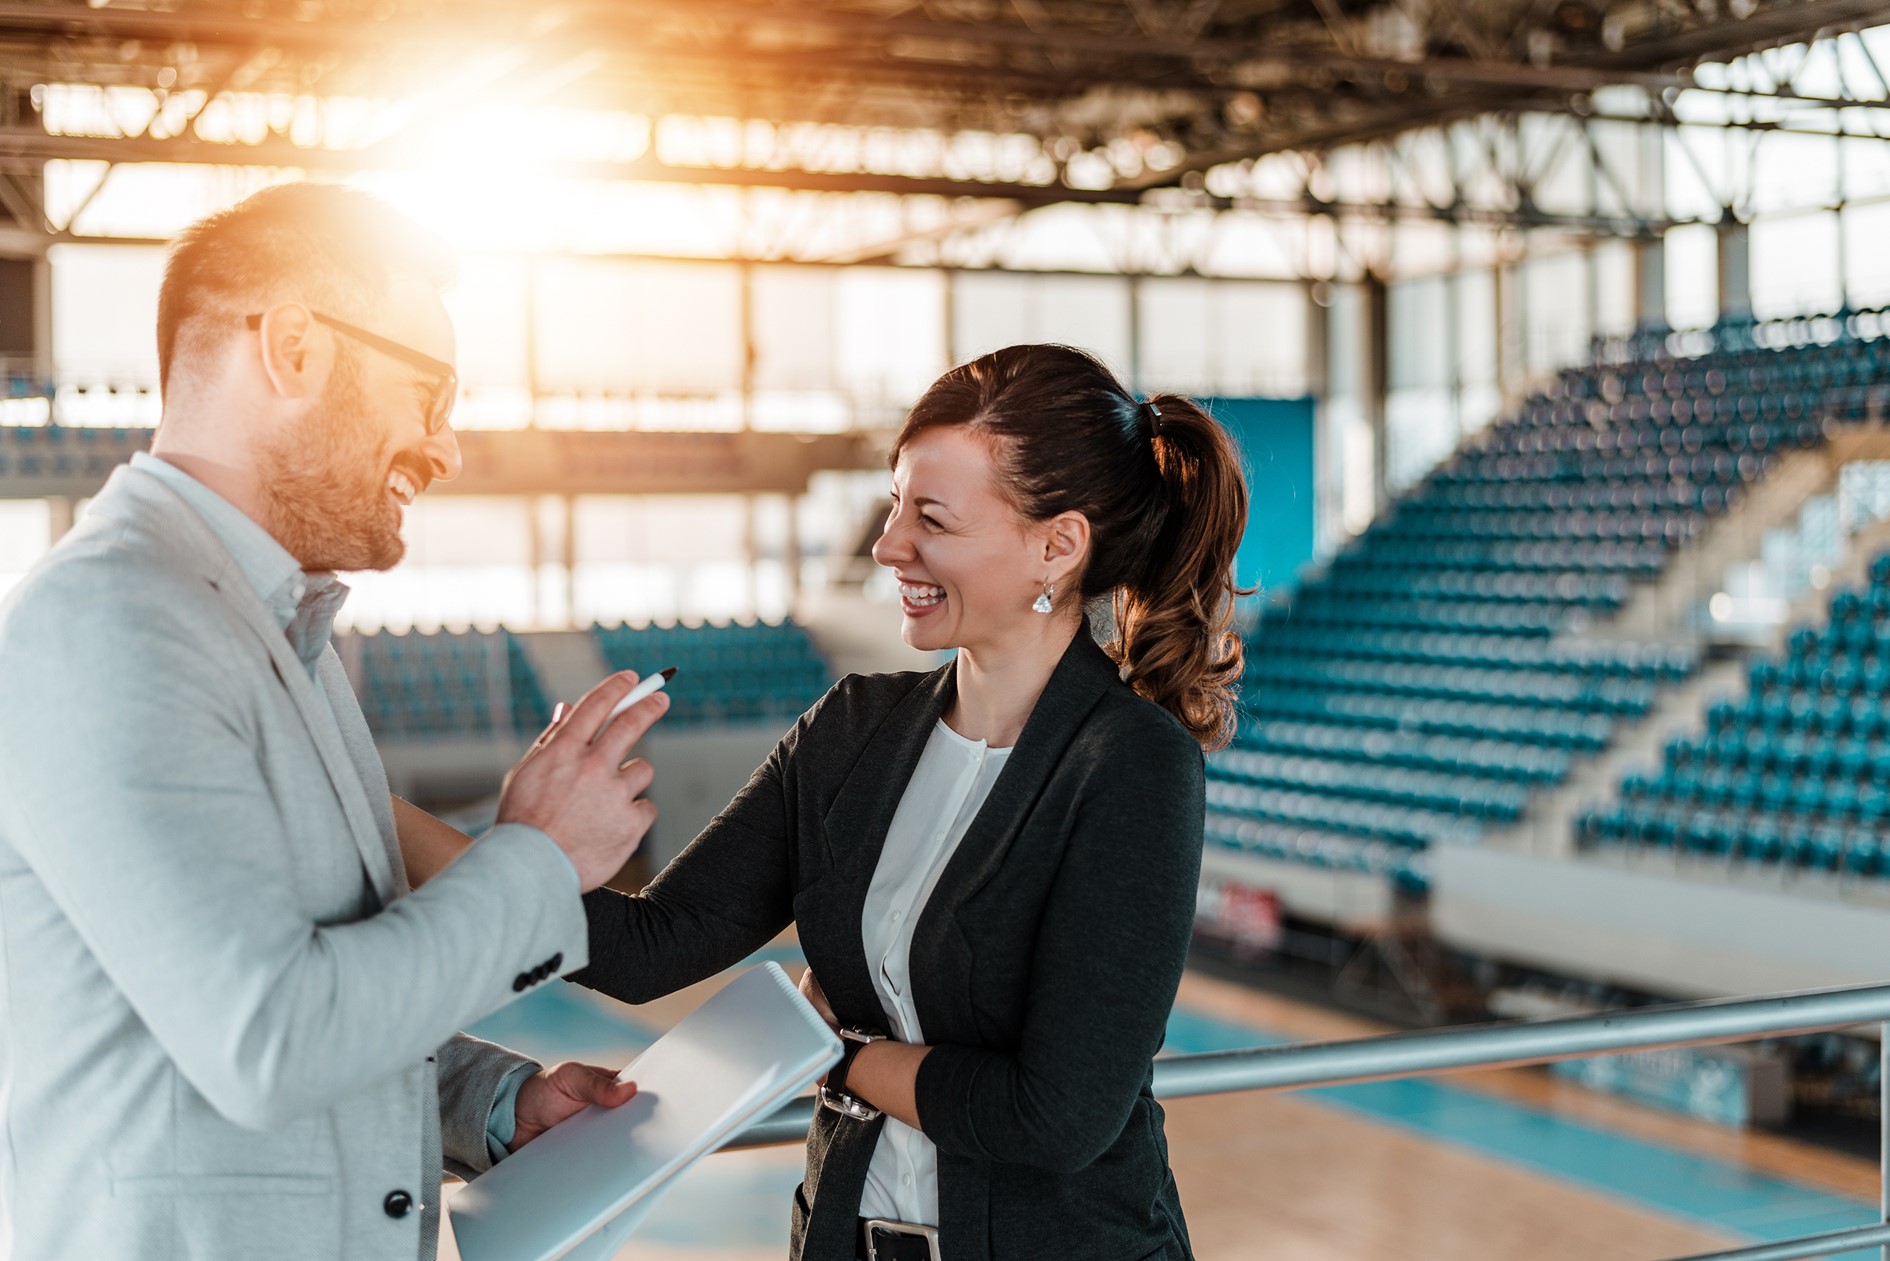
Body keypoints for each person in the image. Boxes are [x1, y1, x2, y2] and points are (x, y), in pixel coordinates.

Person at [408, 343, 1247, 1260]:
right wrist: (365, 808)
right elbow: (648, 949)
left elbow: (1053, 1116)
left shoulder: (1130, 764)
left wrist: (830, 1049)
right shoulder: (854, 729)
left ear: (1058, 544)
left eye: (931, 516)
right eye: (893, 505)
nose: (889, 545)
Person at [0, 183, 672, 1261]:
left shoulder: (276, 632)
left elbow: (325, 980)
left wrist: (494, 1102)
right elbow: (269, 1039)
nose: (443, 446)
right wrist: (535, 856)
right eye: (430, 390)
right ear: (296, 348)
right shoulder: (112, 623)